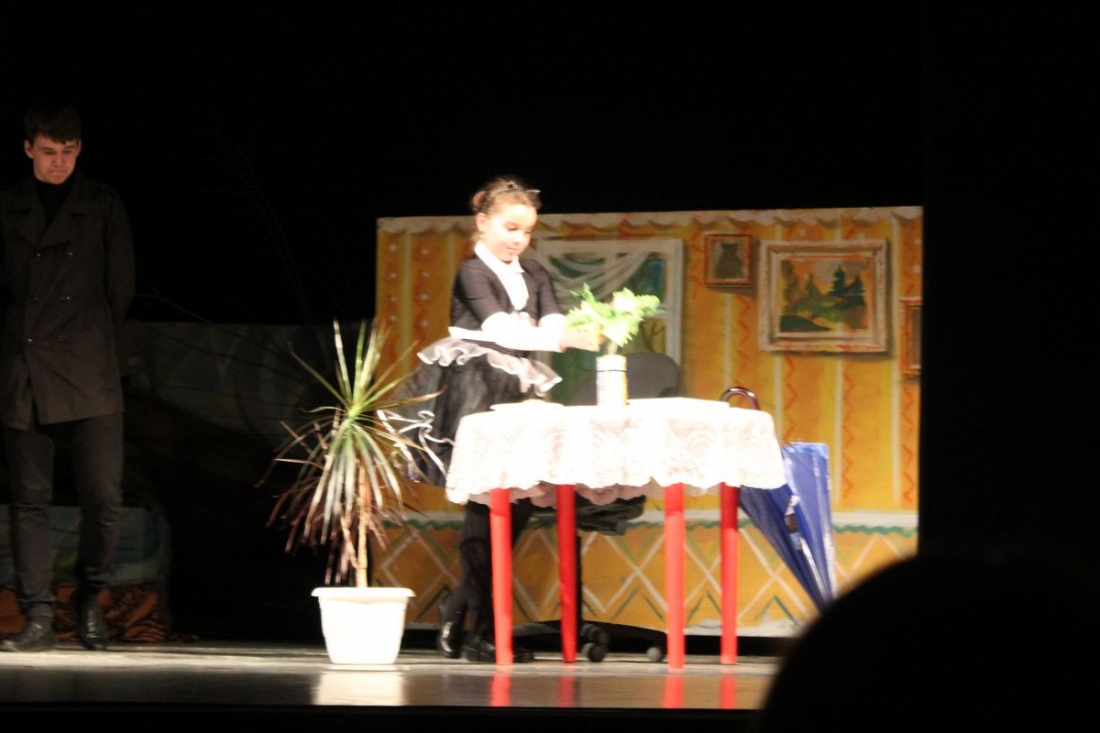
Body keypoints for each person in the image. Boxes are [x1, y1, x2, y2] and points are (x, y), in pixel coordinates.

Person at [391, 175, 597, 663]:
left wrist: (585, 328)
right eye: (510, 228)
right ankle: (482, 633)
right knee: (488, 504)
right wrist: (561, 340)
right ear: (482, 223)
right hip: (474, 384)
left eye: (526, 232)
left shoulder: (535, 272)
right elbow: (502, 330)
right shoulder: (472, 273)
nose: (518, 239)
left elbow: (552, 320)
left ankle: (461, 607)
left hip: (517, 385)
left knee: (518, 501)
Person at [0, 103, 135, 652]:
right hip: (25, 364)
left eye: (69, 152)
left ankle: (89, 597)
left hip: (89, 362)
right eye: (49, 152)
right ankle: (37, 615)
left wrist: (99, 345)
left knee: (103, 494)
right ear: (28, 149)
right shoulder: (8, 206)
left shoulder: (101, 203)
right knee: (29, 497)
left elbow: (120, 285)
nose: (60, 162)